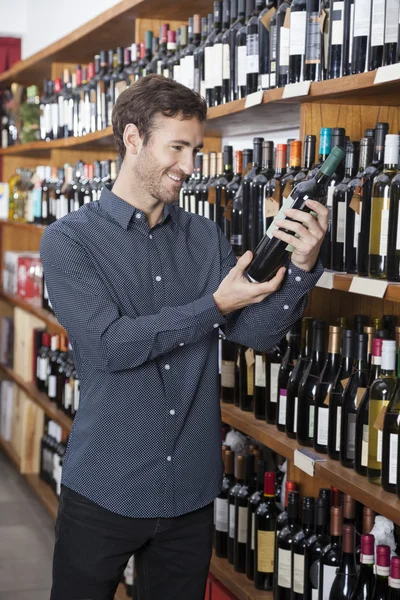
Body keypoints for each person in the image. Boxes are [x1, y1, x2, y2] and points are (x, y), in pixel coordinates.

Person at [40, 74, 327, 600]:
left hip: (190, 491)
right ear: (132, 138)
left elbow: (257, 334)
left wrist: (303, 267)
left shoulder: (204, 236)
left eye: (196, 150)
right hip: (108, 485)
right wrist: (214, 306)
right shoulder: (69, 240)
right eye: (177, 147)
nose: (189, 167)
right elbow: (111, 346)